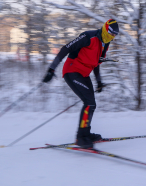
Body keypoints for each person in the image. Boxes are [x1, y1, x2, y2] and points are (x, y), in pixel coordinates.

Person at [42, 19, 119, 148]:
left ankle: (85, 133)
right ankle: (81, 138)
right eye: (110, 32)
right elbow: (66, 48)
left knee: (91, 104)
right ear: (105, 28)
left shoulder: (105, 44)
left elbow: (96, 63)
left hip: (83, 75)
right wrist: (52, 68)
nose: (111, 36)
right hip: (72, 71)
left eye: (114, 35)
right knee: (89, 102)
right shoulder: (89, 37)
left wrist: (99, 82)